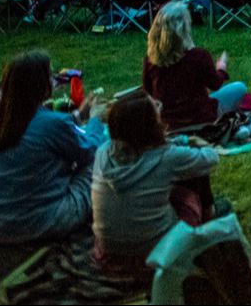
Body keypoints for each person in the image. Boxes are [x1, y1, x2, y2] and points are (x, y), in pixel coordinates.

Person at [0, 50, 106, 245]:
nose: (54, 79)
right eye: (50, 75)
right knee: (99, 159)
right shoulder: (53, 124)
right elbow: (89, 151)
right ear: (40, 84)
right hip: (37, 222)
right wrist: (96, 120)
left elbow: (36, 131)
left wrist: (76, 117)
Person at [91, 92, 220, 268]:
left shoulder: (102, 153)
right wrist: (198, 142)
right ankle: (207, 228)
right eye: (156, 108)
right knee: (194, 178)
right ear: (150, 124)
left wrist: (176, 141)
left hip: (108, 254)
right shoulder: (167, 158)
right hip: (159, 253)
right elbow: (210, 158)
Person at [142, 2, 247, 129]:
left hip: (168, 124)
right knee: (239, 88)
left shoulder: (150, 60)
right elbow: (215, 84)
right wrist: (221, 69)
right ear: (184, 28)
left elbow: (148, 92)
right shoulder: (198, 56)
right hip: (200, 120)